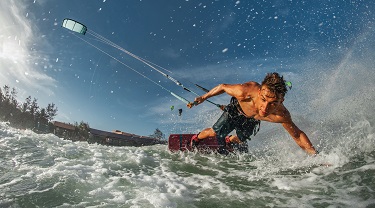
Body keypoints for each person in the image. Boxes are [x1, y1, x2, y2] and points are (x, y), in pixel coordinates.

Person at [187, 72, 318, 155]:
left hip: (251, 119)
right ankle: (197, 138)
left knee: (241, 139)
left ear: (281, 101)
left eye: (273, 103)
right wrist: (203, 97)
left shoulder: (281, 115)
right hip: (235, 111)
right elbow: (222, 86)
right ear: (260, 92)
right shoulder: (245, 91)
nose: (265, 108)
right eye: (263, 99)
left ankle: (229, 140)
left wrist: (314, 155)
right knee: (214, 132)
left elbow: (297, 135)